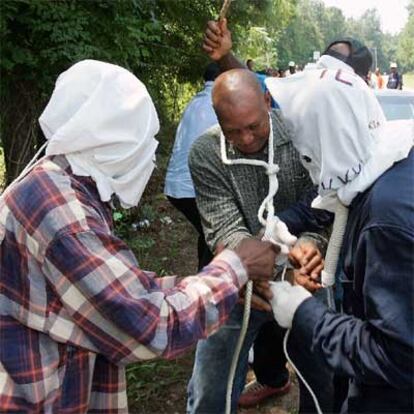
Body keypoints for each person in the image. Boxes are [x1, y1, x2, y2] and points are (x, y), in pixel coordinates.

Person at [0, 60, 280, 413]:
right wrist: (235, 266)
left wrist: (216, 283)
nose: (148, 151)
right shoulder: (65, 215)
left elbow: (122, 289)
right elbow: (150, 323)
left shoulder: (59, 186)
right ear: (117, 138)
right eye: (144, 138)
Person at [265, 41, 414, 412]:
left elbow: (397, 356)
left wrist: (305, 314)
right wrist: (279, 223)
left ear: (322, 141)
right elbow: (336, 199)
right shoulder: (390, 161)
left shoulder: (385, 221)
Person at [186, 67, 334, 413]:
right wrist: (257, 273)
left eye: (254, 126)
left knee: (326, 375)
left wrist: (312, 246)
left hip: (306, 277)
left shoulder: (303, 137)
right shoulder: (206, 153)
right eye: (233, 131)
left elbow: (326, 202)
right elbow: (223, 228)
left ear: (268, 101)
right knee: (210, 385)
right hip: (241, 283)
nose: (247, 139)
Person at [164, 63, 220, 270]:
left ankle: (203, 280)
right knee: (216, 235)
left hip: (176, 186)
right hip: (192, 187)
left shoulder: (196, 102)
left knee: (207, 233)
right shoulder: (219, 103)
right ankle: (206, 289)